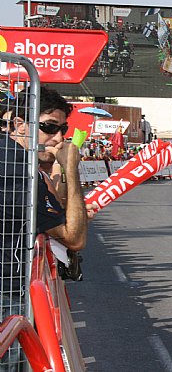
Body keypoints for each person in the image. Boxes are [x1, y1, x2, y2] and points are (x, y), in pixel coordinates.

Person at [1, 86, 97, 370]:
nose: (58, 138)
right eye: (48, 127)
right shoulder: (16, 168)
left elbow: (61, 211)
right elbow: (74, 237)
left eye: (62, 129)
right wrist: (71, 168)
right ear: (20, 124)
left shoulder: (20, 161)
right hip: (7, 292)